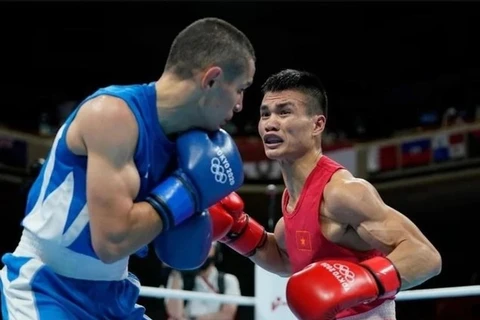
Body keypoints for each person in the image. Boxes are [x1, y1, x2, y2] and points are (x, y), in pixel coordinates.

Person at [0, 17, 255, 320]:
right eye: (240, 88)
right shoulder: (112, 115)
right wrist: (187, 191)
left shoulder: (188, 144)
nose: (240, 104)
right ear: (211, 79)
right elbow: (112, 242)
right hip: (48, 288)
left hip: (115, 293)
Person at [208, 69, 442, 320]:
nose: (270, 123)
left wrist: (361, 282)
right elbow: (284, 260)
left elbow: (425, 256)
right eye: (265, 114)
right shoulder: (291, 205)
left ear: (317, 124)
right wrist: (237, 231)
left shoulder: (342, 192)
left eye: (284, 112)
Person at [165, 242, 241, 320]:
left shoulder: (228, 280)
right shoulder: (177, 277)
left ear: (217, 251)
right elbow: (175, 315)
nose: (202, 251)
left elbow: (227, 315)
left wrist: (192, 319)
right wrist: (178, 271)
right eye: (198, 247)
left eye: (207, 246)